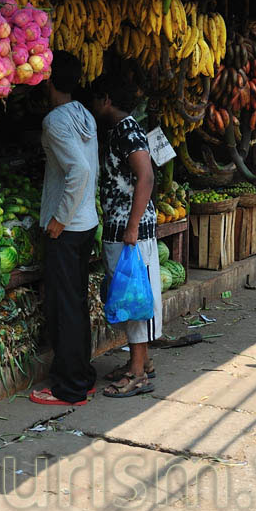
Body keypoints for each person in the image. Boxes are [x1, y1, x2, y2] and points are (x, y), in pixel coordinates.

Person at [29, 51, 100, 407]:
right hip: (85, 222)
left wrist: (58, 218)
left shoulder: (55, 121)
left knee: (65, 306)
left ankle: (69, 388)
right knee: (76, 301)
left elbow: (80, 171)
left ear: (48, 79)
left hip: (67, 226)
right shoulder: (84, 114)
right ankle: (82, 377)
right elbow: (91, 169)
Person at [87, 74, 161, 398]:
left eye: (94, 99)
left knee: (133, 299)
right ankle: (138, 363)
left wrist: (131, 227)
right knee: (130, 297)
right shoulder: (120, 129)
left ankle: (137, 372)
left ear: (105, 99)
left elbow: (146, 176)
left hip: (130, 231)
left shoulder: (127, 129)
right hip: (122, 228)